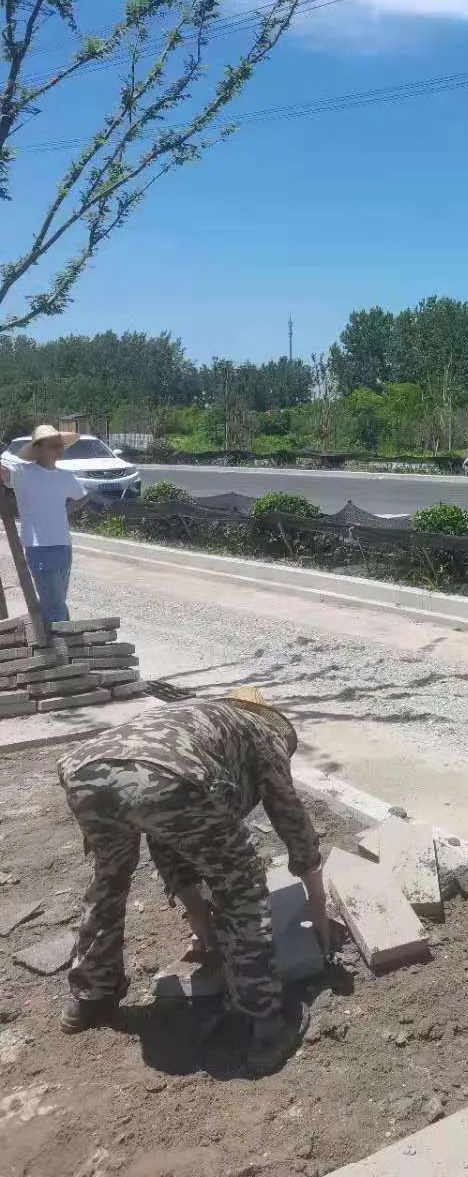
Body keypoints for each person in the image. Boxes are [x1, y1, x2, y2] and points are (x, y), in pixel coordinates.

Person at [56, 687, 328, 1076]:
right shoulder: (263, 735)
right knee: (241, 886)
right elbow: (290, 816)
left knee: (110, 877)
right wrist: (316, 898)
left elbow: (164, 831)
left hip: (84, 770)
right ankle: (263, 1023)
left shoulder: (195, 721)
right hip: (167, 776)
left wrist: (198, 913)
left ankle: (91, 996)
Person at [0, 424, 86, 626]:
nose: (59, 449)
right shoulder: (22, 473)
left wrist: (66, 511)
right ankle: (63, 649)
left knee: (56, 602)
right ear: (38, 449)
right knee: (55, 606)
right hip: (40, 548)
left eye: (60, 445)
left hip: (64, 546)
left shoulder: (66, 476)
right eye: (53, 445)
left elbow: (82, 496)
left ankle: (51, 643)